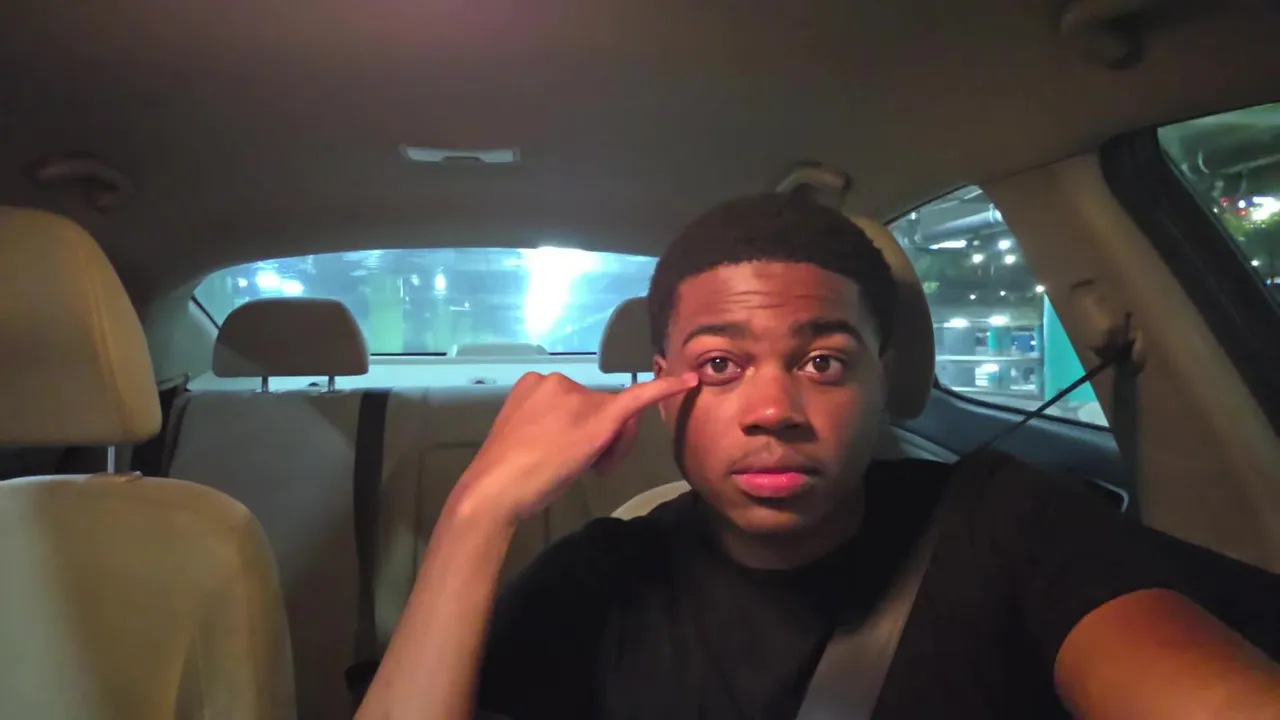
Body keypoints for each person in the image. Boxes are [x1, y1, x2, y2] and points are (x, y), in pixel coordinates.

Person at [358, 192, 1280, 719]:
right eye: (719, 365)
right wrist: (478, 511)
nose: (773, 411)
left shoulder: (1009, 524)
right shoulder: (595, 580)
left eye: (823, 363)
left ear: (884, 376)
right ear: (660, 384)